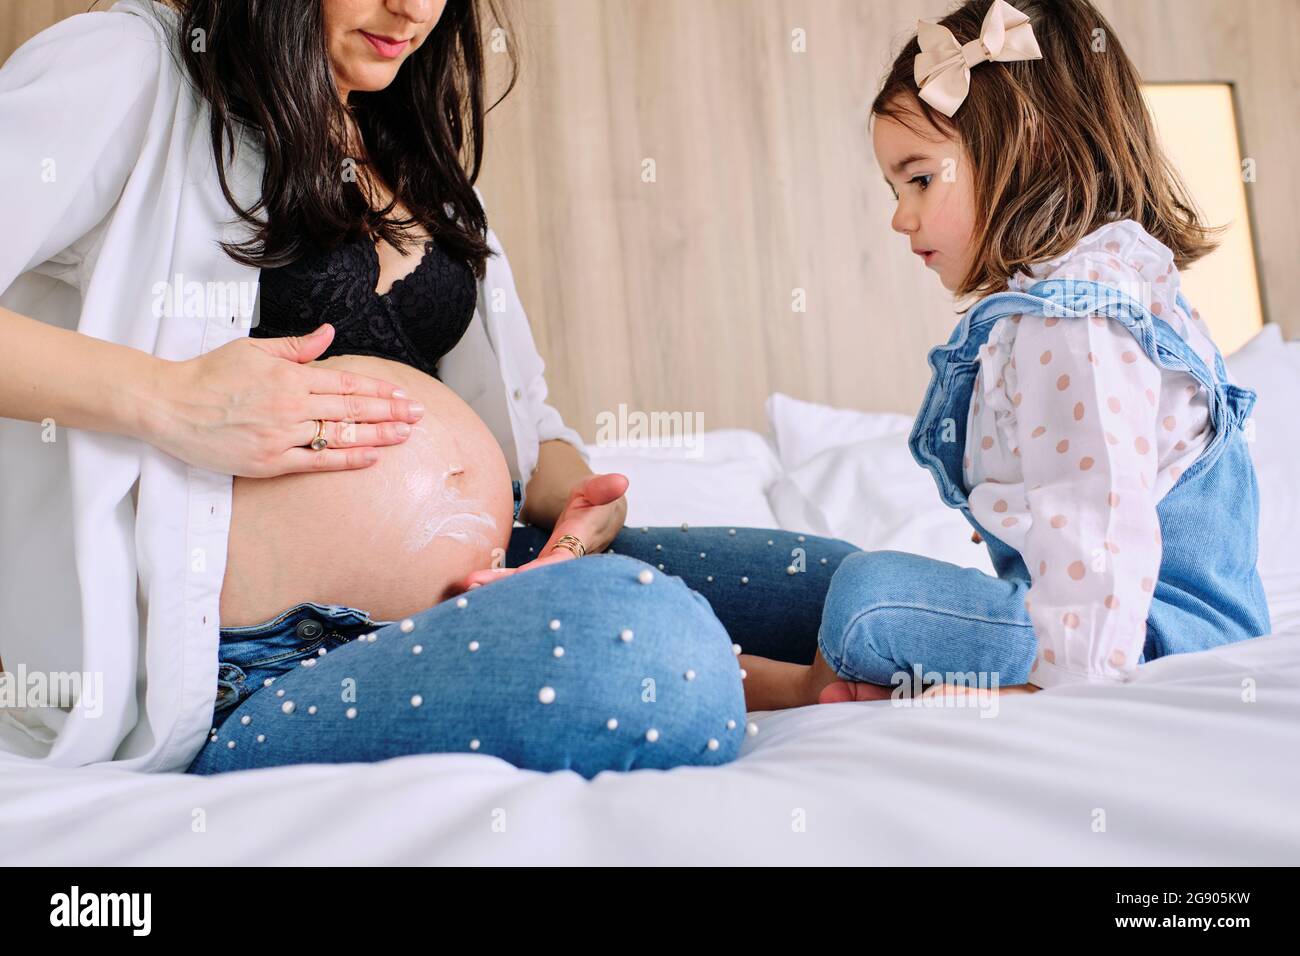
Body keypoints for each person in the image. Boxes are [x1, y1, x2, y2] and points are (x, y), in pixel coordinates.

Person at [0, 0, 858, 778]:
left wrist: (576, 516)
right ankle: (745, 678)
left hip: (490, 575)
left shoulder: (414, 155)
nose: (412, 9)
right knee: (655, 658)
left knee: (849, 591)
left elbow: (526, 424)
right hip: (248, 663)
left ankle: (760, 666)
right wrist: (170, 398)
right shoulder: (133, 69)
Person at [739, 0, 1270, 709]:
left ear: (1033, 146)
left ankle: (823, 686)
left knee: (870, 600)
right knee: (843, 585)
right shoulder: (1072, 300)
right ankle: (856, 677)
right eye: (895, 189)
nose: (900, 216)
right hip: (1115, 620)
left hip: (1149, 639)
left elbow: (1097, 529)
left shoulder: (1075, 321)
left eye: (920, 178)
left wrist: (1061, 688)